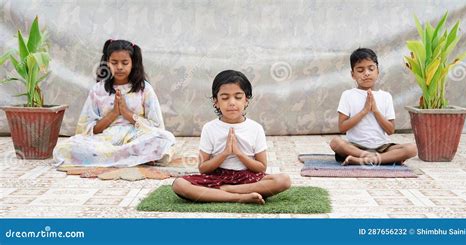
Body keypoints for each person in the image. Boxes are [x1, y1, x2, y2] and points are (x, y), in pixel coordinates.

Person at [172, 70, 291, 204]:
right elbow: (203, 168)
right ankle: (240, 197)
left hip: (249, 178)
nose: (232, 102)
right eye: (225, 98)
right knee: (179, 184)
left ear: (246, 100)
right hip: (217, 178)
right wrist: (225, 153)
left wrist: (239, 153)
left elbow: (261, 167)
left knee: (284, 180)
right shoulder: (209, 128)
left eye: (238, 97)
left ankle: (224, 191)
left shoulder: (255, 128)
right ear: (216, 102)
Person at [53, 39, 175, 167]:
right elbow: (86, 130)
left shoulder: (145, 89)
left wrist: (127, 113)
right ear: (107, 63)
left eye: (125, 62)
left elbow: (156, 127)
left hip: (136, 138)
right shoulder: (98, 90)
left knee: (165, 139)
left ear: (133, 64)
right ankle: (129, 157)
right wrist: (114, 113)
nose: (119, 67)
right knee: (63, 149)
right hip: (105, 141)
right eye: (114, 63)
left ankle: (112, 157)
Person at [329, 48, 417, 165]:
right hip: (356, 147)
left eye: (371, 69)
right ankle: (374, 158)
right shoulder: (348, 95)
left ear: (377, 71)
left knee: (412, 149)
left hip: (382, 147)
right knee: (335, 142)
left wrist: (375, 110)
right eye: (360, 70)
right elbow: (342, 127)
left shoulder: (385, 96)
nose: (366, 73)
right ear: (352, 74)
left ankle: (364, 160)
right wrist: (364, 111)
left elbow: (390, 130)